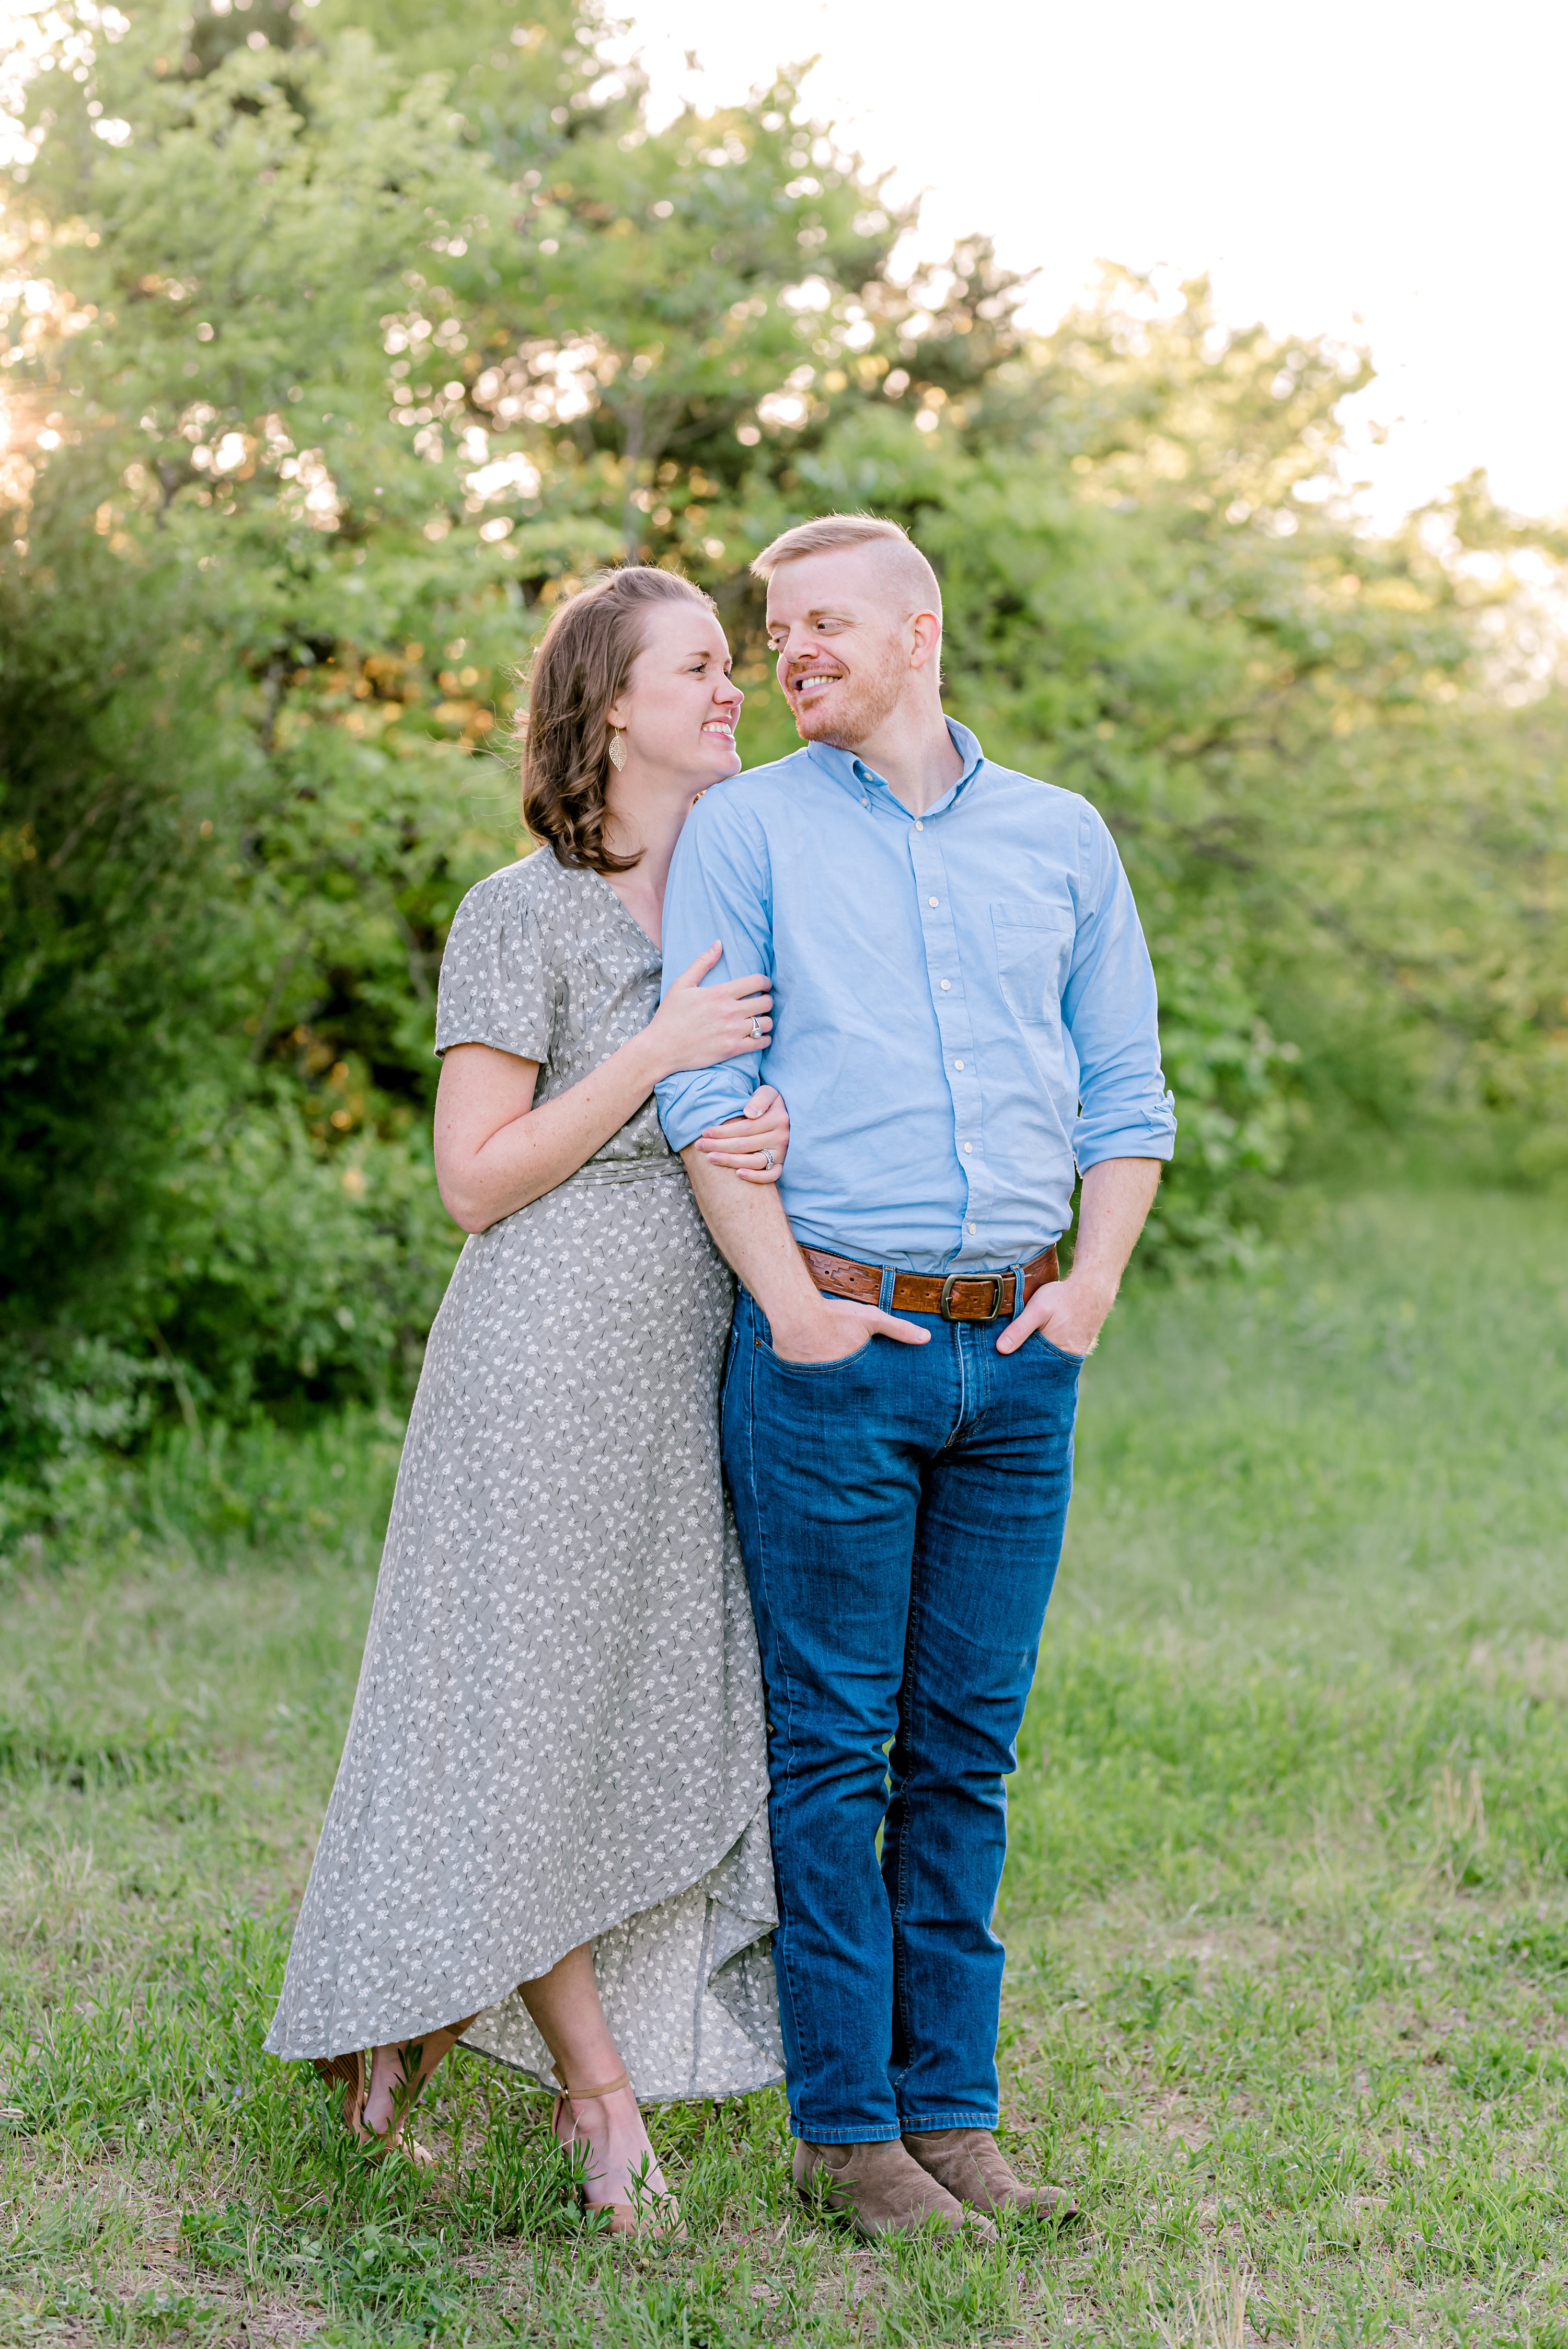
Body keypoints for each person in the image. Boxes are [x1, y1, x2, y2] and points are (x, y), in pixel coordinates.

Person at [654, 513, 1177, 2241]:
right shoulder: (747, 834)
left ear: (917, 631)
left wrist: (1092, 1286)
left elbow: (1124, 1090)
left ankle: (956, 2112)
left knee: (966, 1750)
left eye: (815, 627)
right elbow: (704, 1096)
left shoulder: (1061, 837)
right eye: (768, 632)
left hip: (1022, 1360)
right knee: (835, 1749)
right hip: (836, 1354)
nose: (785, 655)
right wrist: (789, 1304)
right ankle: (848, 2132)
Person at [266, 565, 790, 2235]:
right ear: (613, 706)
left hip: (699, 1359)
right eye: (702, 667)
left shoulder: (745, 892)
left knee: (648, 1704)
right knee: (531, 1718)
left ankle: (419, 2012)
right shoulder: (523, 908)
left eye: (735, 665)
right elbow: (475, 1182)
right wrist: (652, 1057)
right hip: (544, 1359)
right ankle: (596, 2095)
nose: (738, 688)